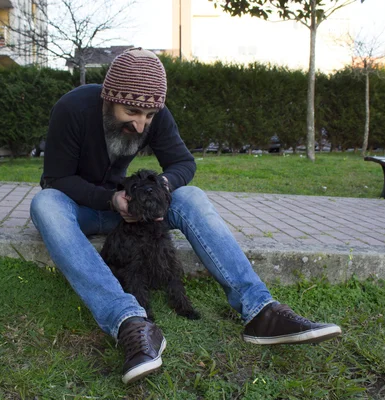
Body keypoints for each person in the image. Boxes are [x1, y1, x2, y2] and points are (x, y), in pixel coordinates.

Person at [30, 48, 341, 384]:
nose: (140, 124)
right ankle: (129, 322)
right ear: (108, 98)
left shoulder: (155, 114)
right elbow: (57, 178)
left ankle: (260, 310)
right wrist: (110, 200)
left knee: (191, 195)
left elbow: (184, 164)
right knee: (45, 203)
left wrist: (162, 187)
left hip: (132, 207)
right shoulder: (72, 108)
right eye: (131, 111)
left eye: (148, 116)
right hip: (85, 208)